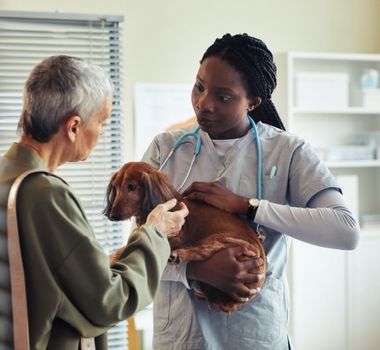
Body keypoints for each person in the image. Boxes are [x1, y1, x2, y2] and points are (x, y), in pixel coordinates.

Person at [142, 33, 360, 350]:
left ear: (253, 102)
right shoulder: (165, 150)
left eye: (223, 96)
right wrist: (195, 270)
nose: (204, 104)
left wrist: (248, 206)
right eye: (199, 87)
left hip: (253, 336)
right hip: (181, 338)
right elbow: (138, 251)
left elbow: (345, 231)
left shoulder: (287, 151)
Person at [0, 55, 189, 350]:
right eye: (101, 122)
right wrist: (154, 232)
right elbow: (111, 301)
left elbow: (38, 278)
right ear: (74, 126)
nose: (102, 132)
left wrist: (104, 262)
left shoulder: (6, 176)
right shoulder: (44, 193)